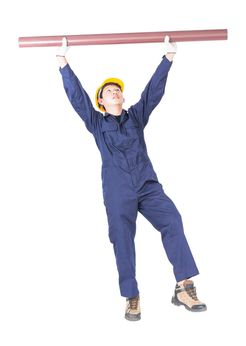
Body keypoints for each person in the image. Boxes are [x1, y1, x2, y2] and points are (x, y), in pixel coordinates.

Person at [56, 36, 207, 321]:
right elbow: (77, 98)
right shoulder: (97, 124)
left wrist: (168, 59)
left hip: (147, 185)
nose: (114, 92)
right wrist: (63, 64)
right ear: (100, 100)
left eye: (117, 90)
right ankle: (131, 296)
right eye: (108, 91)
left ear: (122, 97)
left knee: (172, 220)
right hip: (118, 190)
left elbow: (153, 92)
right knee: (122, 240)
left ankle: (184, 286)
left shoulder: (136, 117)